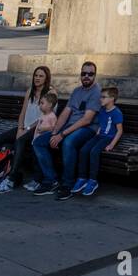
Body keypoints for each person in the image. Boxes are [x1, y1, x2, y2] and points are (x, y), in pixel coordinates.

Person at [48, 61, 104, 200]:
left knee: (68, 143)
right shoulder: (76, 91)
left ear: (95, 76)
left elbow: (87, 120)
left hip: (88, 129)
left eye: (90, 74)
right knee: (41, 140)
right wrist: (55, 131)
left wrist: (62, 134)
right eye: (84, 73)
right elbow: (66, 112)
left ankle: (67, 185)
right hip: (71, 127)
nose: (86, 76)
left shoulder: (96, 92)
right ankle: (49, 179)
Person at [0, 66, 52, 193]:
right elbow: (23, 112)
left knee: (20, 141)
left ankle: (11, 179)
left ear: (46, 78)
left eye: (41, 76)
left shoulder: (51, 93)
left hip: (38, 129)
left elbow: (44, 117)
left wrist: (27, 129)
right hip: (24, 127)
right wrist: (20, 128)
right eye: (36, 75)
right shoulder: (30, 90)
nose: (37, 78)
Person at [70, 86, 124, 197]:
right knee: (84, 150)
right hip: (99, 136)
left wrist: (111, 145)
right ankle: (82, 178)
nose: (101, 99)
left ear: (112, 98)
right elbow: (101, 123)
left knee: (94, 152)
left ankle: (93, 181)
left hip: (108, 138)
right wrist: (98, 132)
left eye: (104, 97)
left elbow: (119, 131)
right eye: (101, 97)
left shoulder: (117, 112)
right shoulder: (102, 110)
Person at [30, 92, 63, 195]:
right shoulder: (43, 115)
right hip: (38, 139)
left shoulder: (52, 116)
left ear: (50, 105)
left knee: (42, 157)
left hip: (45, 140)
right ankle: (41, 179)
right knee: (38, 159)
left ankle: (50, 180)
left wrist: (44, 128)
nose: (40, 105)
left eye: (42, 103)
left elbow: (55, 128)